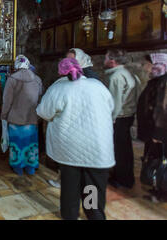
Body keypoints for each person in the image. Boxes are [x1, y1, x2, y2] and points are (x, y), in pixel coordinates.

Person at [37, 58, 115, 220]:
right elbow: (111, 107)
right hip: (97, 147)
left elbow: (43, 112)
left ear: (61, 71)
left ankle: (70, 215)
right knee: (92, 187)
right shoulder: (97, 86)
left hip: (70, 148)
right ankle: (93, 215)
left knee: (70, 187)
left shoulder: (58, 87)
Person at [104, 49, 141, 189]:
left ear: (112, 62)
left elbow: (115, 101)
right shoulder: (129, 73)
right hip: (128, 115)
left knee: (120, 150)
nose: (104, 60)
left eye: (106, 58)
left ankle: (122, 179)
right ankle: (125, 177)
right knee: (125, 148)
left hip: (119, 117)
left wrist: (110, 118)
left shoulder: (116, 77)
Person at [1, 55, 43, 175]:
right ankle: (31, 167)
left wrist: (4, 115)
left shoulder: (12, 79)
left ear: (16, 65)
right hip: (32, 119)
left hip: (15, 119)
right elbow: (39, 98)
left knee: (17, 144)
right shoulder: (37, 79)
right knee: (30, 143)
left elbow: (7, 101)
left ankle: (18, 167)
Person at [137, 53, 167, 201]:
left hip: (160, 132)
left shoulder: (164, 82)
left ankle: (163, 193)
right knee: (156, 160)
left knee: (161, 161)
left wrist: (158, 134)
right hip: (154, 130)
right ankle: (158, 189)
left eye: (151, 64)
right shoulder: (157, 81)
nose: (148, 67)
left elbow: (162, 108)